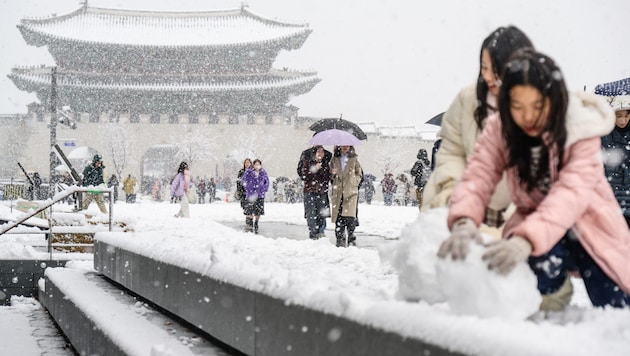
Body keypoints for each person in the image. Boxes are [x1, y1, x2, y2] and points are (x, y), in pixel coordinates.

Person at [438, 48, 630, 310]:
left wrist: (524, 240)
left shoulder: (580, 128)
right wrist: (463, 220)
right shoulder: (501, 127)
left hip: (592, 223)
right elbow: (478, 175)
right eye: (517, 106)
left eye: (536, 106)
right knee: (537, 284)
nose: (527, 117)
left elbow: (569, 195)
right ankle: (552, 297)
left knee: (615, 307)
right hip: (539, 228)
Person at [422, 25, 534, 229]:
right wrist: (452, 193)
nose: (489, 76)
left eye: (497, 68)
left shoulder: (540, 106)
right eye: (485, 67)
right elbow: (451, 152)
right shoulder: (468, 100)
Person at [599, 94, 630, 227]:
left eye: (626, 116)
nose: (623, 120)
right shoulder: (603, 134)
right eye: (619, 116)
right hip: (612, 196)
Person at [330, 145, 363, 247]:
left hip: (351, 191)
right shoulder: (335, 159)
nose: (345, 147)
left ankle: (351, 235)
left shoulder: (354, 159)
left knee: (350, 216)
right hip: (338, 191)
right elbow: (330, 174)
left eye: (347, 145)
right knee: (339, 215)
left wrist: (354, 181)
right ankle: (340, 235)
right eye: (343, 145)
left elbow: (359, 173)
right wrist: (332, 173)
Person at [300, 145, 332, 239]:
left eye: (322, 152)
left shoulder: (325, 164)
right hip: (310, 192)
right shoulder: (307, 163)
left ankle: (320, 231)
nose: (320, 154)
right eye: (318, 152)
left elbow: (326, 178)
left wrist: (330, 173)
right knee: (311, 213)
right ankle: (313, 233)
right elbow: (305, 176)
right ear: (314, 153)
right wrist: (315, 168)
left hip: (322, 192)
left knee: (321, 213)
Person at [241, 159, 270, 233]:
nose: (257, 166)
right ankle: (250, 224)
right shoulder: (249, 172)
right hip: (251, 194)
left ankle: (256, 222)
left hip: (260, 194)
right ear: (253, 165)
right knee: (250, 210)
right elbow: (243, 181)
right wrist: (248, 187)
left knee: (258, 211)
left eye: (258, 164)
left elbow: (267, 182)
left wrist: (264, 188)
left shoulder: (263, 172)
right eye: (255, 164)